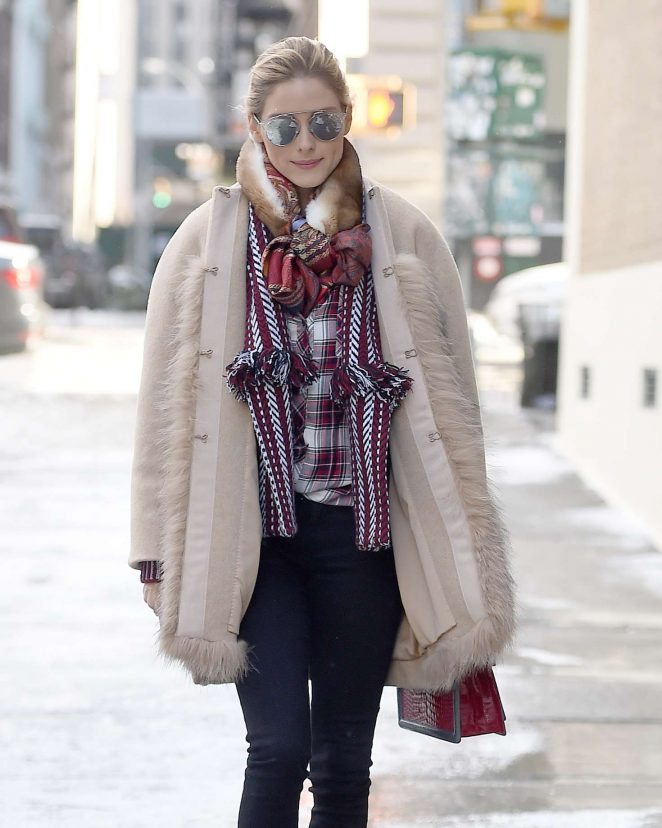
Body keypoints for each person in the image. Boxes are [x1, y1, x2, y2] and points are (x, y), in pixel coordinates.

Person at [130, 36, 515, 828]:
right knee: (276, 749)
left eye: (323, 123)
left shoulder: (402, 232)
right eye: (284, 128)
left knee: (343, 766)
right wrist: (152, 547)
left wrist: (467, 535)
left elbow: (457, 406)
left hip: (363, 537)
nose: (306, 143)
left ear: (346, 122)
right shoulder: (207, 242)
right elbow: (159, 412)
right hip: (253, 538)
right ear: (254, 128)